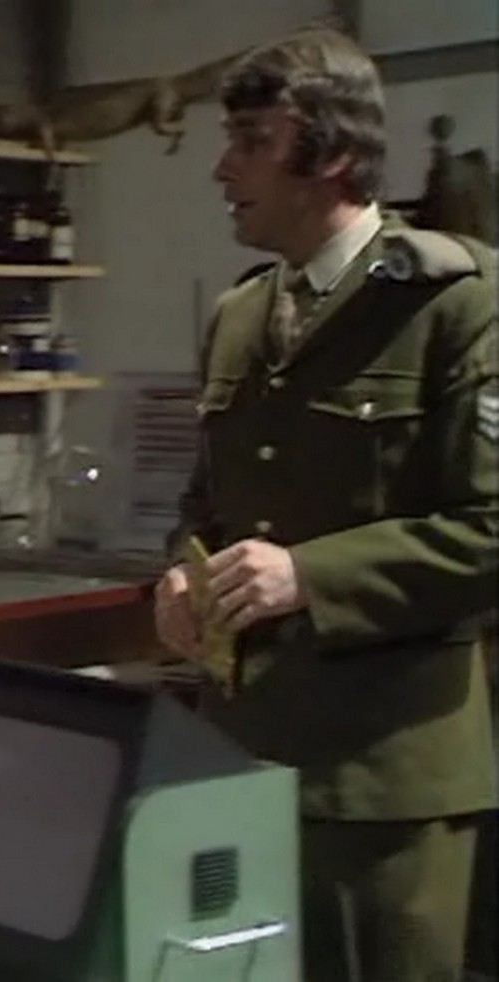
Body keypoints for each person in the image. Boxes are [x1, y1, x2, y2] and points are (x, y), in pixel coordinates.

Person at [154, 26, 498, 982]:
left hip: (383, 785)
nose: (223, 169)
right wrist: (181, 577)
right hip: (243, 764)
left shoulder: (454, 304)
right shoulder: (241, 317)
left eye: (252, 142)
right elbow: (210, 500)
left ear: (333, 153)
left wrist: (308, 576)